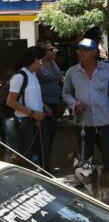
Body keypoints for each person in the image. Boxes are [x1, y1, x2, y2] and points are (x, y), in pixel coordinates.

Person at [62, 38, 109, 170]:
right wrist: (75, 104)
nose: (81, 52)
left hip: (104, 120)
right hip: (83, 122)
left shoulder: (107, 69)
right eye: (79, 49)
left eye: (85, 50)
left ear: (94, 52)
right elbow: (66, 93)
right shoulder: (72, 72)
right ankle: (86, 184)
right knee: (85, 156)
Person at [5, 46, 48, 167]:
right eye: (42, 61)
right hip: (24, 122)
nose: (42, 64)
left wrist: (44, 107)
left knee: (36, 156)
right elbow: (11, 102)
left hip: (34, 121)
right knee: (26, 158)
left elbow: (31, 96)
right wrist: (33, 113)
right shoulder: (20, 76)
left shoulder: (32, 74)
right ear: (35, 60)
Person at [36, 38, 62, 171]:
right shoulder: (39, 66)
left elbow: (58, 78)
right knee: (44, 137)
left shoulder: (53, 63)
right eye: (51, 50)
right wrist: (43, 105)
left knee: (51, 135)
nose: (54, 51)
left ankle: (47, 163)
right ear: (44, 52)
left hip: (54, 103)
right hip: (44, 105)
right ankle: (44, 166)